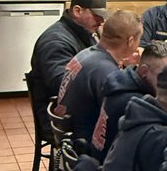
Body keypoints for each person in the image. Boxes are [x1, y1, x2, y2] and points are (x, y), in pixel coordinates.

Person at [53, 10, 142, 146]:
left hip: (68, 134)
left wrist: (126, 66)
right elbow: (123, 114)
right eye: (139, 39)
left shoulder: (86, 54)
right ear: (130, 41)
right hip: (84, 144)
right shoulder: (106, 72)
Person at [90, 40, 167, 161]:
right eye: (164, 76)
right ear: (144, 72)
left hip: (102, 159)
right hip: (109, 170)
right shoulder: (133, 103)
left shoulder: (121, 80)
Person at [29, 0, 107, 124]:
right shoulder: (56, 42)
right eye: (96, 16)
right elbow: (63, 86)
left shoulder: (83, 32)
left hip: (76, 109)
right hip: (58, 117)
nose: (101, 21)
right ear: (77, 11)